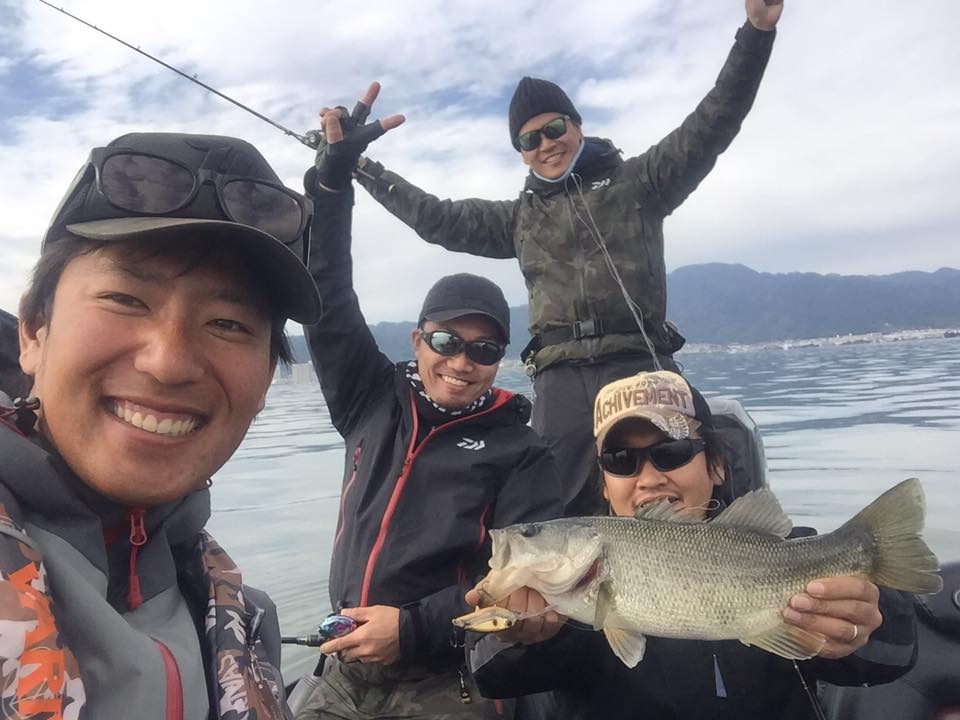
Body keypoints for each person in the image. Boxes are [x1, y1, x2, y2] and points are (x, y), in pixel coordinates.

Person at [310, 1, 785, 517]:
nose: (546, 144)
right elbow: (436, 218)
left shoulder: (641, 183)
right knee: (555, 515)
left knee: (684, 491)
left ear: (576, 125)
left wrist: (756, 32)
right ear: (520, 150)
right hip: (559, 379)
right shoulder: (518, 218)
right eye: (529, 138)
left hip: (639, 361)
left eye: (554, 128)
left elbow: (715, 120)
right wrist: (361, 166)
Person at [0, 131, 322, 719]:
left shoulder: (242, 622)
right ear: (33, 331)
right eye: (126, 299)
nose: (169, 362)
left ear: (265, 378)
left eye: (228, 324)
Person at [294, 109, 562, 719]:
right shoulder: (370, 397)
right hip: (342, 668)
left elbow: (525, 577)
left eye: (484, 350)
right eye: (446, 342)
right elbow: (327, 296)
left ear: (499, 359)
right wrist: (332, 185)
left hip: (448, 675)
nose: (462, 362)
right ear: (418, 341)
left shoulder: (521, 451)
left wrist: (413, 628)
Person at [463, 371, 919, 720]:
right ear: (604, 483)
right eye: (621, 460)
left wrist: (861, 627)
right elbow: (493, 675)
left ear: (716, 465)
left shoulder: (785, 549)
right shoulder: (562, 602)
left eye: (672, 452)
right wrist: (515, 634)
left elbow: (896, 652)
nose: (648, 478)